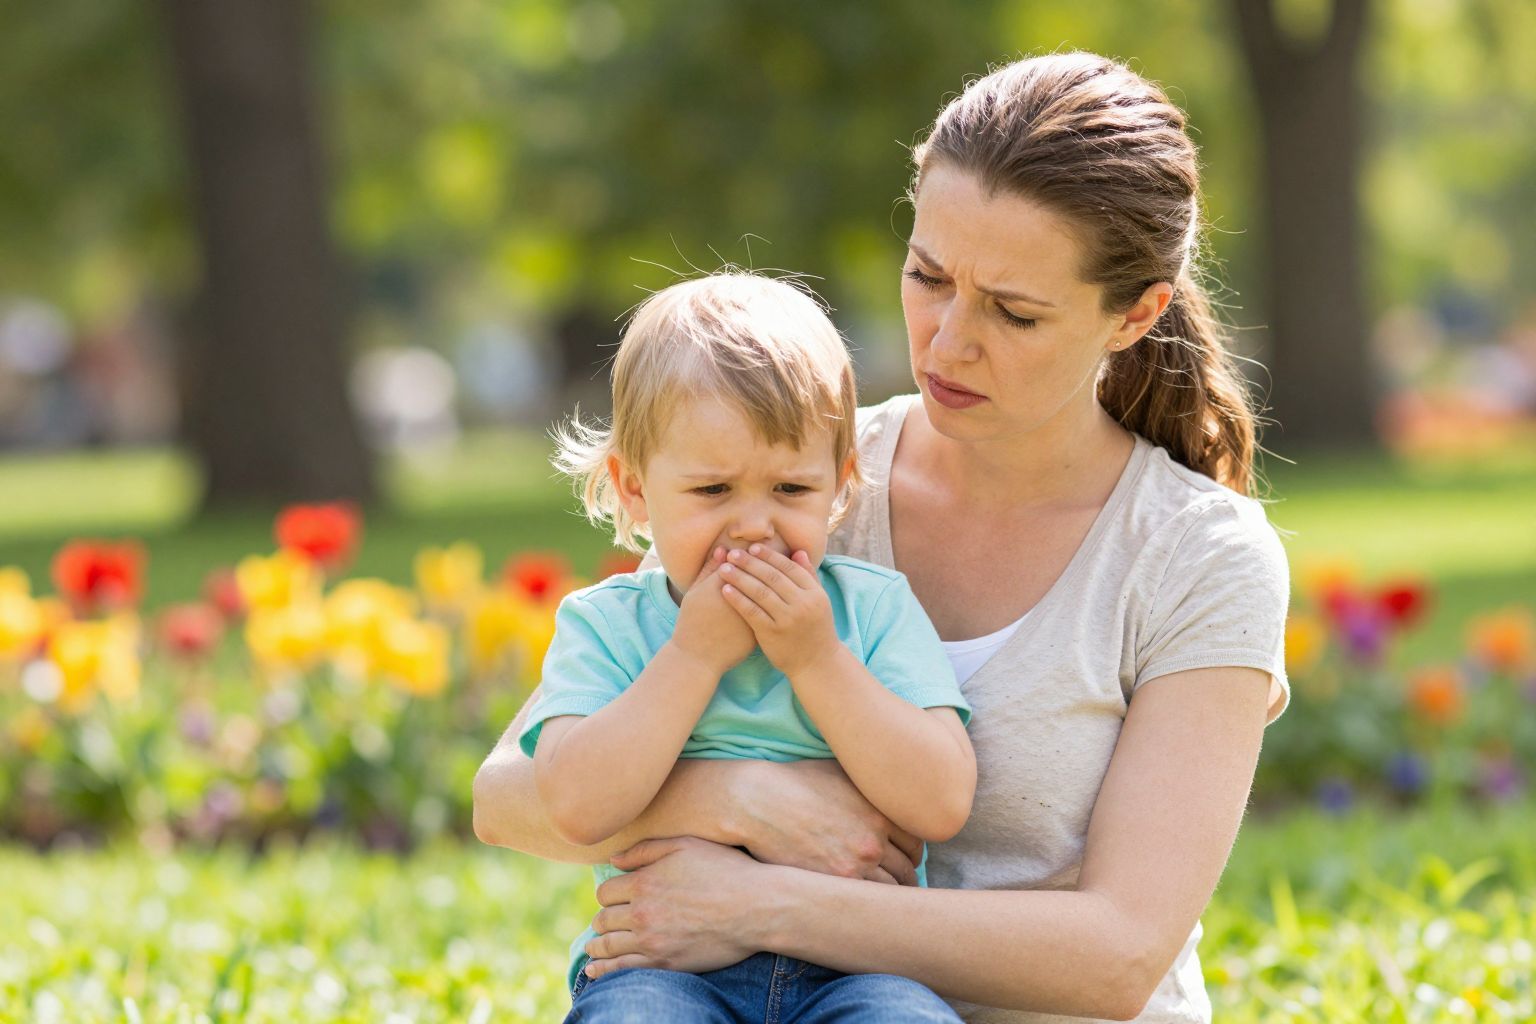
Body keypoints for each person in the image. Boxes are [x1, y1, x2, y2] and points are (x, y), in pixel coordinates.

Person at [475, 51, 1291, 1023]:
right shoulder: (796, 474)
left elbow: (1116, 956)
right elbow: (509, 794)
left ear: (1136, 313)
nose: (947, 340)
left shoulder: (1198, 554)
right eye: (928, 275)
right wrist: (732, 799)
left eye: (1014, 312)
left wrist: (767, 904)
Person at [516, 271, 976, 1022]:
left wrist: (817, 660)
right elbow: (574, 803)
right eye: (712, 492)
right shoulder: (608, 625)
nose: (754, 526)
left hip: (859, 965)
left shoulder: (870, 610)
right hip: (662, 969)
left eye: (790, 491)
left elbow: (941, 798)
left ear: (840, 485)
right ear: (633, 490)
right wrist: (692, 657)